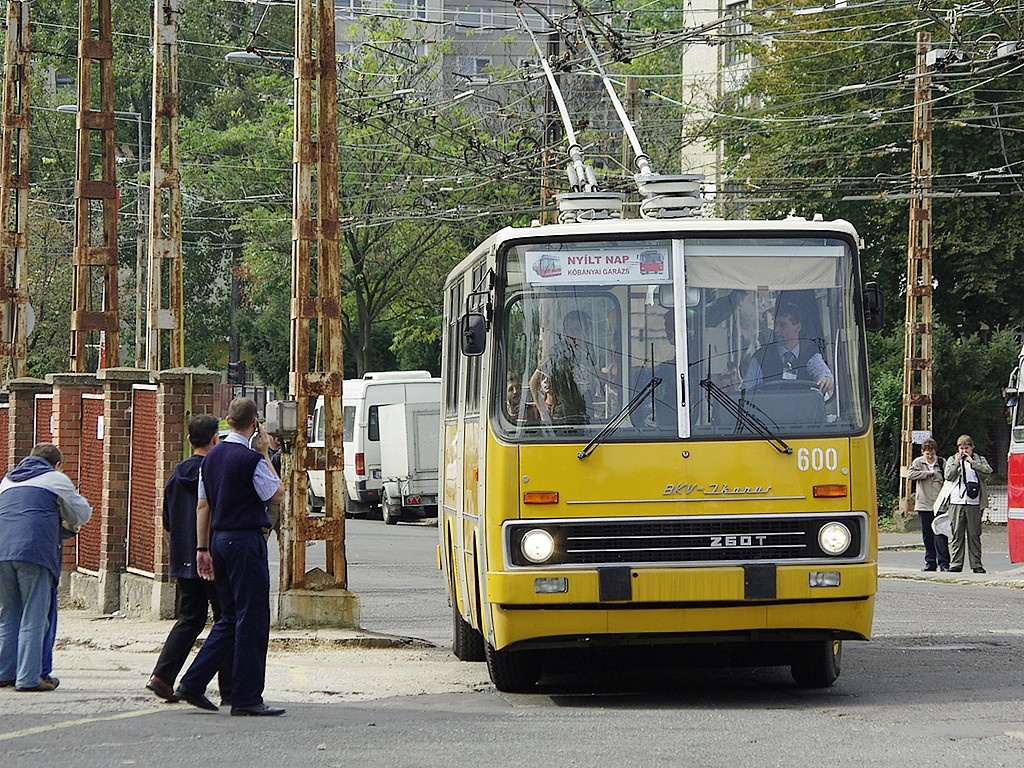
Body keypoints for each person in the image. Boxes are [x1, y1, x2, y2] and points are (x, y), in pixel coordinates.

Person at [175, 397, 285, 716]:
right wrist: (264, 452)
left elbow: (203, 505)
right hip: (245, 539)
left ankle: (193, 682)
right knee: (252, 618)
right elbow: (276, 493)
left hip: (218, 540)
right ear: (255, 424)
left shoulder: (210, 458)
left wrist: (202, 548)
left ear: (227, 420)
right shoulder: (249, 459)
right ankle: (246, 696)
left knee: (229, 616)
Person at [146, 415, 232, 704]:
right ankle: (229, 689)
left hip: (183, 556)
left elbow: (167, 520)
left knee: (189, 619)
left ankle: (162, 676)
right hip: (211, 555)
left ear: (188, 440)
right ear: (215, 440)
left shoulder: (175, 476)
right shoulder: (213, 473)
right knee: (226, 620)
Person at [0, 443, 91, 692]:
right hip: (34, 552)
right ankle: (29, 678)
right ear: (57, 464)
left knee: (8, 613)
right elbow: (82, 513)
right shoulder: (55, 478)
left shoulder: (7, 480)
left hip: (2, 551)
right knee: (35, 615)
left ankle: (4, 672)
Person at [529, 309, 605, 422]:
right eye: (568, 330)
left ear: (586, 332)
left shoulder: (589, 349)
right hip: (563, 414)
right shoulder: (556, 352)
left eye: (577, 330)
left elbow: (593, 372)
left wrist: (610, 380)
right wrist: (543, 413)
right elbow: (533, 382)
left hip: (586, 410)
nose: (572, 334)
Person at [743, 303, 834, 395]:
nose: (776, 330)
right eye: (775, 324)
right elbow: (746, 392)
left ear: (798, 327)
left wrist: (825, 380)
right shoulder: (761, 357)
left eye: (783, 325)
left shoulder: (809, 352)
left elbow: (822, 372)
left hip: (804, 408)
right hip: (768, 409)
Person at [943, 434, 993, 574]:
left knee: (974, 534)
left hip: (974, 502)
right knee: (956, 534)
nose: (964, 451)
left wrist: (972, 462)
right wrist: (957, 463)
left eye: (967, 448)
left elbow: (988, 471)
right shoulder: (952, 459)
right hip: (956, 502)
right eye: (961, 448)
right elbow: (948, 476)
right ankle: (956, 563)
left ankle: (976, 564)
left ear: (972, 448)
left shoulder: (979, 459)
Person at [906, 438, 950, 572]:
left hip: (939, 504)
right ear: (922, 452)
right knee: (927, 535)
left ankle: (944, 563)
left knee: (940, 534)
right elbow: (910, 474)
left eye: (932, 454)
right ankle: (930, 562)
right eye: (927, 454)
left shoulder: (941, 462)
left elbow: (949, 478)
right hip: (924, 503)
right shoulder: (918, 462)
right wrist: (926, 473)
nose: (930, 456)